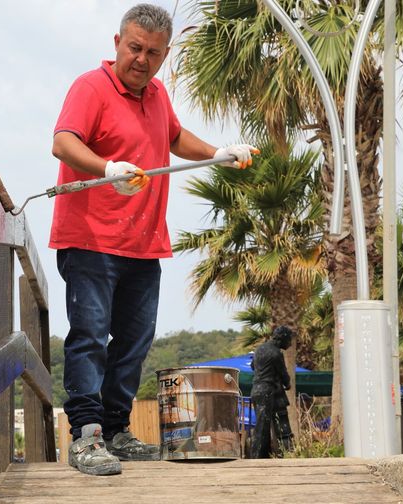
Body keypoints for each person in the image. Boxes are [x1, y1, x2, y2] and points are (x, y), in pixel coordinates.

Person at [49, 3, 259, 476]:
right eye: (135, 47)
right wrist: (107, 168)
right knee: (89, 338)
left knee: (134, 343)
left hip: (143, 244)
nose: (142, 59)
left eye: (153, 53)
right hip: (91, 241)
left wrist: (217, 153)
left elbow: (176, 137)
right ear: (117, 42)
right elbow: (63, 142)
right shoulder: (90, 87)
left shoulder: (158, 94)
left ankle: (118, 431)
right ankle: (86, 436)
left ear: (164, 57)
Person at [249, 325, 295, 458]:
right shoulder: (276, 353)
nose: (290, 344)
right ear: (282, 339)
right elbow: (283, 373)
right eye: (289, 340)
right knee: (263, 426)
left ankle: (263, 455)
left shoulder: (259, 349)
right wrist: (287, 384)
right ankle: (257, 457)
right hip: (267, 390)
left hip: (256, 390)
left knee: (262, 424)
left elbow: (253, 366)